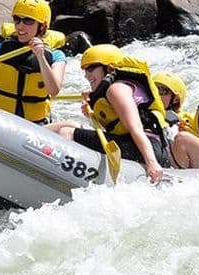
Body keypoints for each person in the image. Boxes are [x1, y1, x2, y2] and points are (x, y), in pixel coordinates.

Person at [45, 44, 169, 183]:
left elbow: (136, 127)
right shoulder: (115, 88)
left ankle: (59, 181)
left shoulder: (117, 90)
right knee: (70, 125)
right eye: (85, 70)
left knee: (67, 132)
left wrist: (152, 162)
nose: (86, 75)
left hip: (146, 148)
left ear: (108, 68)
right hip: (139, 144)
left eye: (91, 68)